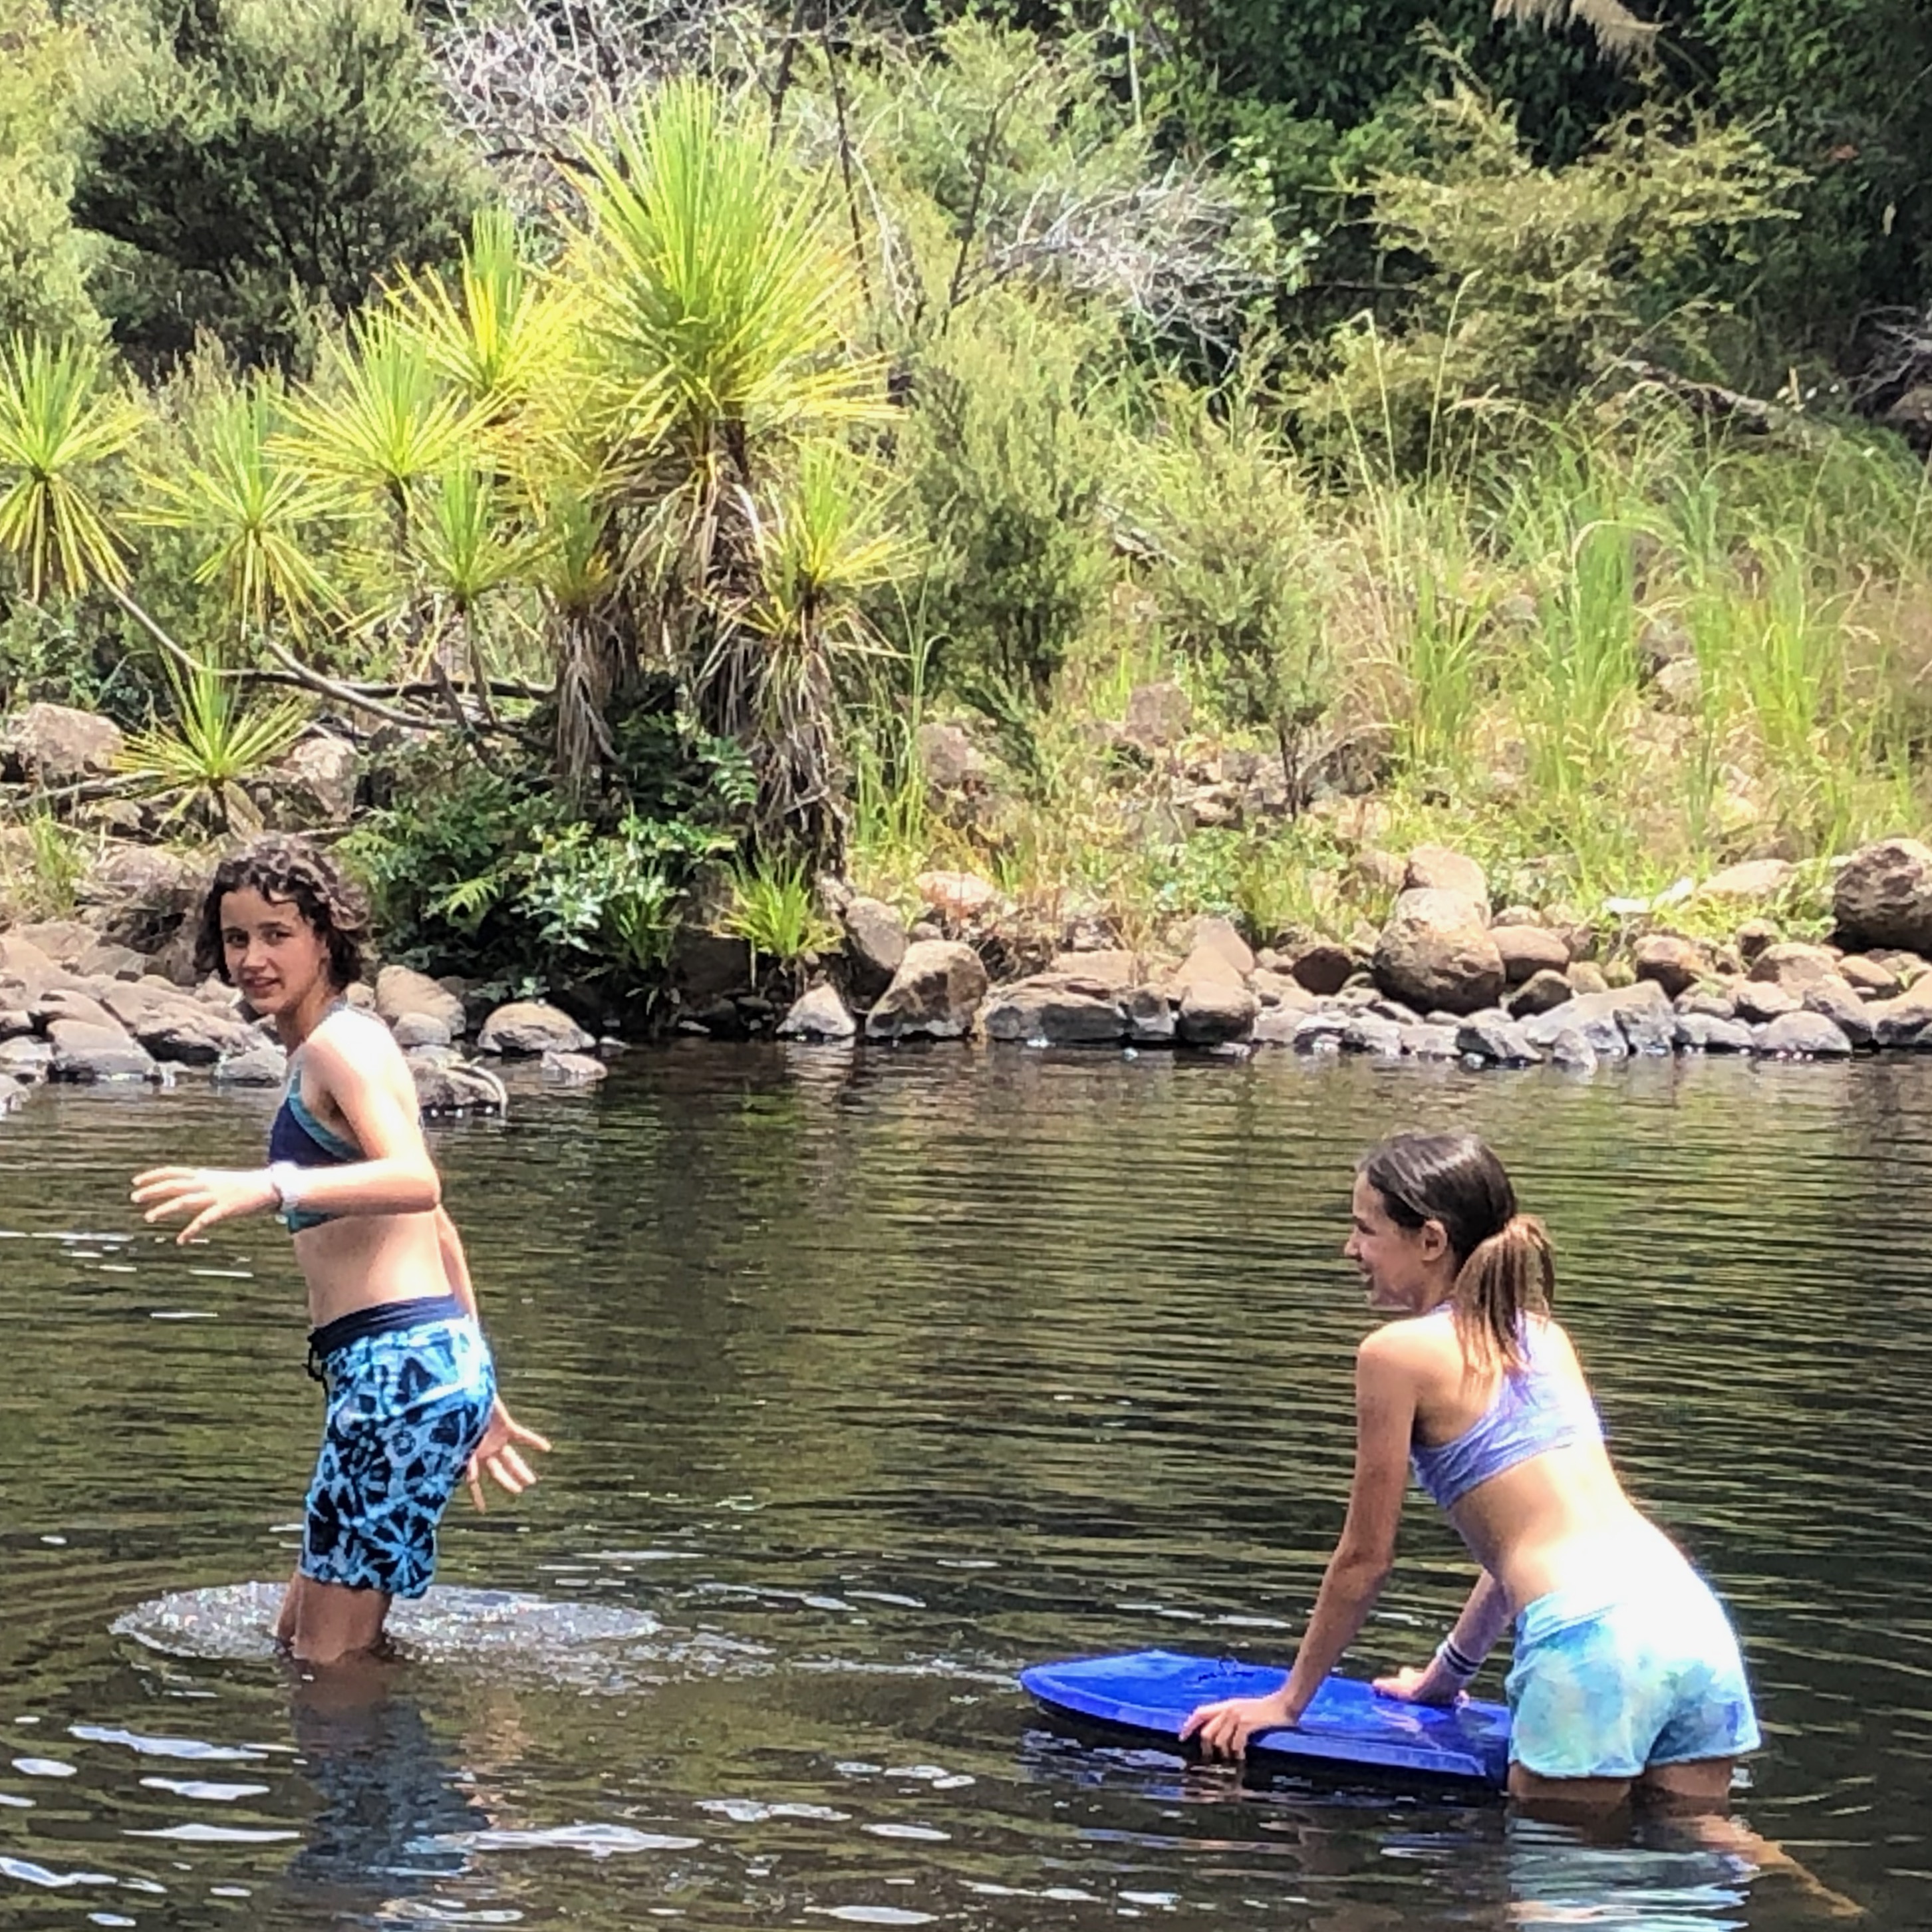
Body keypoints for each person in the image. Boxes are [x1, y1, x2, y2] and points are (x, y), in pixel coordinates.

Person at [1181, 1131, 1760, 1815]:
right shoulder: (1543, 1337)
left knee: (1561, 1858)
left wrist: (1286, 1701)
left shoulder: (1394, 1354)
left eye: (1364, 1229)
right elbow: (1517, 1543)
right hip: (1685, 1612)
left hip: (1589, 1641)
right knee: (1702, 1839)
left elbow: (1365, 1559)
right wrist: (1444, 1676)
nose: (1349, 1248)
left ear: (1429, 1239)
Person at [131, 836, 551, 1666]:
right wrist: (478, 1382)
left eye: (276, 934)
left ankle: (473, 1747)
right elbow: (439, 1228)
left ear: (324, 938)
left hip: (397, 1377)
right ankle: (440, 1740)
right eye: (237, 938)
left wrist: (272, 1185)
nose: (253, 958)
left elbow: (417, 1181)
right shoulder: (338, 1042)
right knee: (297, 1641)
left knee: (325, 1664)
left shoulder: (338, 1047)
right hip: (409, 1370)